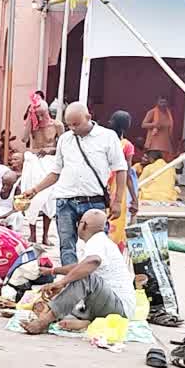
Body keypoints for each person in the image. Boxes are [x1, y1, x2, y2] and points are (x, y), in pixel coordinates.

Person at [24, 102, 127, 266]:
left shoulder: (107, 137)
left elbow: (121, 169)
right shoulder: (65, 139)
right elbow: (56, 172)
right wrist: (35, 190)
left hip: (93, 201)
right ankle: (70, 285)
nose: (73, 128)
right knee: (66, 247)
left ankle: (97, 284)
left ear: (88, 117)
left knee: (98, 247)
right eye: (69, 125)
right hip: (65, 200)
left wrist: (118, 201)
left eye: (76, 124)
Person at [21, 209, 135, 334]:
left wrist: (62, 282)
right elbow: (79, 267)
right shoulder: (101, 242)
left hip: (119, 308)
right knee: (46, 304)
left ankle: (43, 322)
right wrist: (53, 271)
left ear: (83, 225)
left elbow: (93, 262)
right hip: (107, 305)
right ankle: (84, 322)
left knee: (85, 278)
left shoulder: (97, 241)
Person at [103, 110, 140, 250]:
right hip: (117, 189)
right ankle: (115, 255)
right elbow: (128, 174)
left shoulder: (105, 141)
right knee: (117, 225)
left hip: (102, 185)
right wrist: (135, 199)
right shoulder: (127, 146)